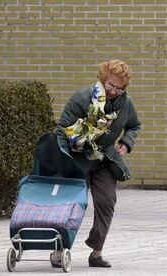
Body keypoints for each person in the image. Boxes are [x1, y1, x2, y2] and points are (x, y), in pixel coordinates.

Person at [56, 59, 141, 267]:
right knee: (73, 205)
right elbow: (61, 129)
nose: (113, 91)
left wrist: (126, 143)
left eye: (119, 88)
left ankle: (96, 253)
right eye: (111, 85)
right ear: (103, 78)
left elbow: (134, 126)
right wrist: (63, 160)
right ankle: (60, 251)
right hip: (78, 159)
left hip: (105, 159)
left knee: (107, 202)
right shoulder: (82, 98)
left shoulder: (125, 105)